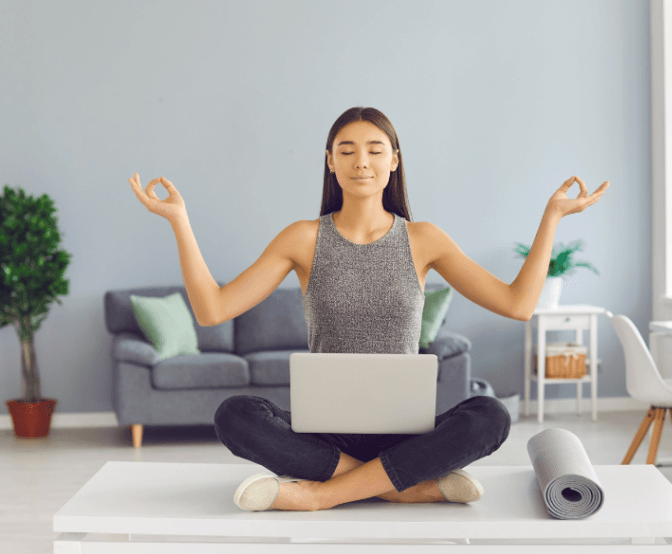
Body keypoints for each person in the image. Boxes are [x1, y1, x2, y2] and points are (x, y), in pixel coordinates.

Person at [130, 106, 610, 512]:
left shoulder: (424, 240)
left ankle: (320, 497)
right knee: (236, 414)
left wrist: (552, 217)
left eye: (375, 150)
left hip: (405, 433)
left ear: (394, 161)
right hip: (326, 437)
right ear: (330, 162)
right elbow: (213, 309)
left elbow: (518, 304)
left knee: (490, 415)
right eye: (347, 150)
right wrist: (179, 221)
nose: (362, 162)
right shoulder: (303, 238)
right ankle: (402, 488)